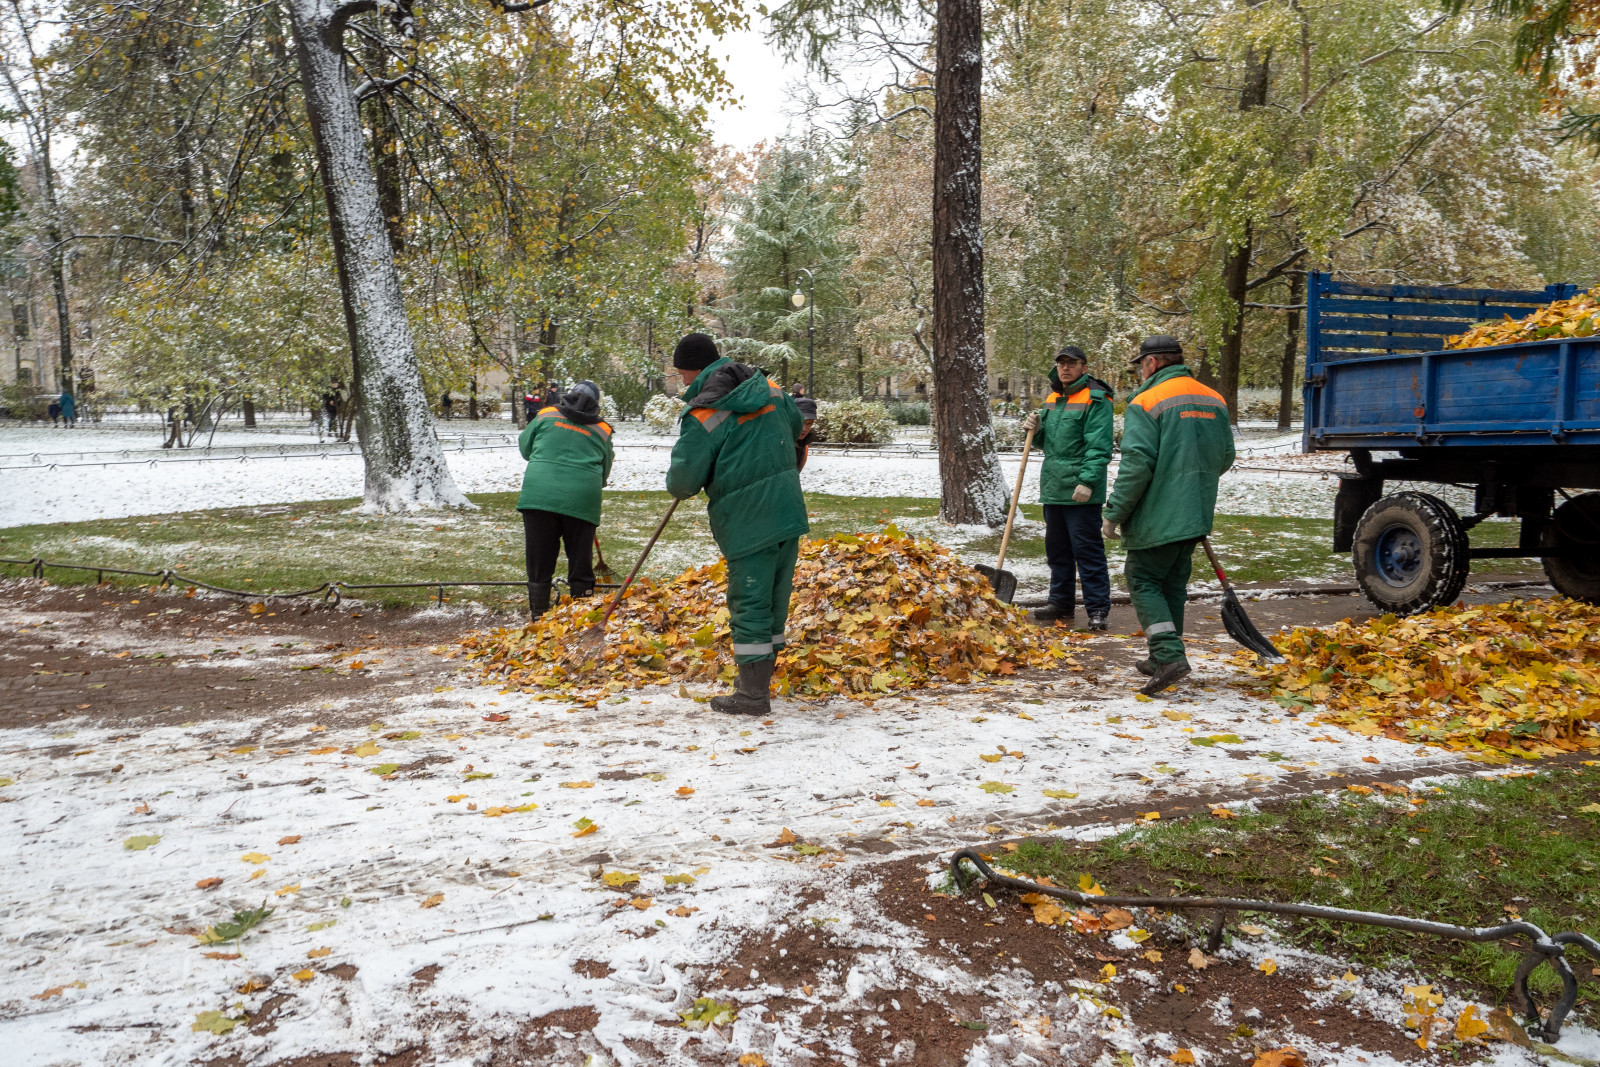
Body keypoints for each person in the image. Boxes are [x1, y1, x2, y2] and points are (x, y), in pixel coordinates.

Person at [666, 333, 809, 716]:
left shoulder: (703, 412)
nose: (682, 382)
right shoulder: (772, 389)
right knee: (774, 602)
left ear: (690, 370)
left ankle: (751, 695)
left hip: (747, 520)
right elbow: (796, 427)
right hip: (787, 510)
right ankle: (761, 682)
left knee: (749, 603)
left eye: (681, 374)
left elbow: (682, 483)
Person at [1102, 335, 1235, 695]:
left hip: (1159, 514)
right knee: (1172, 583)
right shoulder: (1214, 398)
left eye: (1141, 365)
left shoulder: (1147, 401)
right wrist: (1192, 484)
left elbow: (1136, 465)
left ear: (1154, 362)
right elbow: (1225, 457)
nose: (1140, 372)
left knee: (1142, 577)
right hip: (1196, 511)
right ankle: (1162, 658)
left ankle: (1169, 653)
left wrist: (1113, 514)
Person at [1021, 345, 1113, 630]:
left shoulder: (1096, 398)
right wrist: (1034, 431)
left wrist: (1087, 482)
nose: (1065, 368)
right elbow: (1046, 443)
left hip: (1080, 491)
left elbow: (1098, 447)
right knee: (1057, 550)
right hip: (1054, 487)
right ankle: (1060, 602)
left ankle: (1098, 609)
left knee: (1087, 551)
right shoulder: (1052, 397)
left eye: (1071, 363)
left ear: (1084, 367)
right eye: (1061, 363)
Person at [516, 380, 614, 618]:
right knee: (580, 560)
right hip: (582, 498)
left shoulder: (546, 414)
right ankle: (581, 616)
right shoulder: (602, 429)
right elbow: (605, 469)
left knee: (539, 560)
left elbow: (525, 448)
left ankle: (538, 614)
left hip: (539, 495)